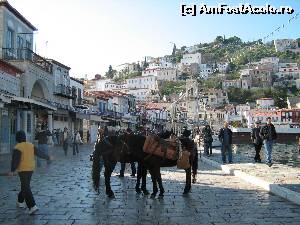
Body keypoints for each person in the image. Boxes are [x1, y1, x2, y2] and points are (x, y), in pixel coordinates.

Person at [8, 130, 52, 215]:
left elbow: (15, 160)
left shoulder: (18, 147)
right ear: (25, 137)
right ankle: (20, 201)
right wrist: (48, 157)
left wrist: (12, 170)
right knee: (25, 186)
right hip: (31, 168)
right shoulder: (30, 145)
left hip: (23, 169)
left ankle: (32, 206)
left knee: (26, 187)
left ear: (17, 138)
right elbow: (39, 153)